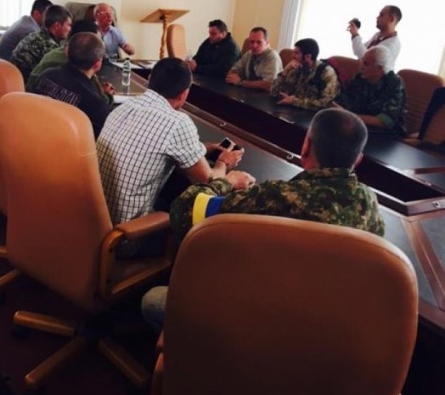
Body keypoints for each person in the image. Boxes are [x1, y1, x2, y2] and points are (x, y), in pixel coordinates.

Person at [142, 108, 384, 334]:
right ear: (358, 159)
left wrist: (225, 181)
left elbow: (184, 210)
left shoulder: (276, 196)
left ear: (306, 146)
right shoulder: (369, 206)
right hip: (319, 333)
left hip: (255, 321)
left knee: (152, 301)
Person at [96, 57, 252, 257]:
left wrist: (203, 148)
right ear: (184, 94)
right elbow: (209, 182)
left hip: (96, 225)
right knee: (188, 218)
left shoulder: (124, 107)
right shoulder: (177, 122)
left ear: (150, 80)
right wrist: (224, 163)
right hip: (126, 239)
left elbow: (156, 143)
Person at [31, 32, 112, 138]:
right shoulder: (96, 105)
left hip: (32, 137)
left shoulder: (45, 75)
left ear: (67, 52)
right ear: (97, 64)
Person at [334, 45, 406, 135]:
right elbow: (344, 99)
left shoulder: (393, 84)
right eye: (362, 61)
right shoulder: (360, 78)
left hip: (385, 134)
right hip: (358, 126)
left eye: (366, 64)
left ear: (379, 69)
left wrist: (350, 115)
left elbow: (386, 121)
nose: (361, 66)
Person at [270, 38, 340, 109]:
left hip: (313, 114)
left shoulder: (326, 72)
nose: (292, 56)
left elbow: (327, 104)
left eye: (296, 53)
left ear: (308, 56)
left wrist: (294, 102)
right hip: (293, 110)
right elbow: (273, 91)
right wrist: (285, 72)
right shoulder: (296, 68)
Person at [11, 5, 72, 83]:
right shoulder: (49, 46)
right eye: (69, 25)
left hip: (14, 80)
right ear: (57, 26)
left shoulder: (35, 35)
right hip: (25, 84)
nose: (70, 29)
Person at [225, 27, 282, 91]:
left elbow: (269, 85)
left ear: (267, 42)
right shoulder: (249, 54)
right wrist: (232, 76)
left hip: (265, 95)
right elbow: (232, 71)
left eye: (259, 42)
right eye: (252, 42)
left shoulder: (272, 57)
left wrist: (241, 82)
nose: (254, 46)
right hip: (248, 92)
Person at [348, 5, 402, 70]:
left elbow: (366, 59)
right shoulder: (378, 35)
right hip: (364, 72)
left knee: (337, 62)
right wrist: (355, 35)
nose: (377, 17)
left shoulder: (393, 44)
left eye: (381, 15)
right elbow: (359, 51)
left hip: (373, 75)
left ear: (391, 19)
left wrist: (355, 35)